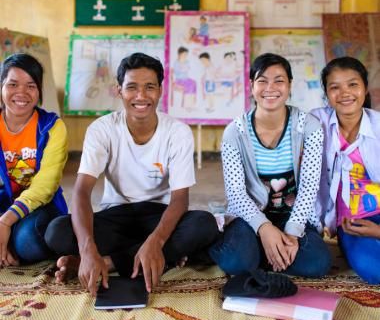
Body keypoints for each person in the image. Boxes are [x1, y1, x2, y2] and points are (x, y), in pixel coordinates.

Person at [45, 53, 219, 296]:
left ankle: (109, 263)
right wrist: (86, 250)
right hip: (115, 216)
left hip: (159, 215)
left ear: (160, 90)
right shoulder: (102, 129)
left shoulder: (178, 132)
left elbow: (180, 200)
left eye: (149, 87)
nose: (141, 96)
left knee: (203, 224)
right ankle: (160, 256)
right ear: (119, 91)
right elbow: (82, 191)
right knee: (57, 231)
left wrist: (156, 241)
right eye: (132, 87)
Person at [209, 53, 331, 279]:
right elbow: (236, 194)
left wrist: (293, 233)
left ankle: (265, 253)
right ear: (251, 86)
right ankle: (262, 249)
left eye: (279, 80)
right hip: (250, 216)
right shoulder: (235, 132)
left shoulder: (309, 127)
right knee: (235, 263)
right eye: (262, 80)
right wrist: (264, 228)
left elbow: (309, 188)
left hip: (292, 215)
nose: (270, 87)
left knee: (318, 264)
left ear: (290, 85)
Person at [311, 57, 380, 284]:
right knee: (373, 270)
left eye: (352, 84)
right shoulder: (316, 123)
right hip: (352, 222)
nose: (345, 93)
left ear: (364, 88)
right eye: (335, 87)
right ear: (327, 94)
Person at [0, 53, 68, 266]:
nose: (21, 93)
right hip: (4, 201)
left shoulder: (52, 127)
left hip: (41, 205)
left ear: (39, 91)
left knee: (27, 242)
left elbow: (45, 187)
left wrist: (5, 221)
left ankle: (11, 246)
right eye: (13, 84)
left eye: (30, 85)